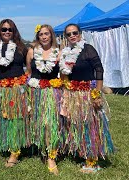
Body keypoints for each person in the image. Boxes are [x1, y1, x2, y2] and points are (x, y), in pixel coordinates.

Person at [59, 23, 114, 173]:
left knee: (90, 125)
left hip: (87, 94)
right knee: (76, 124)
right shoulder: (65, 52)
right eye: (69, 34)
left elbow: (99, 70)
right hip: (73, 95)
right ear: (66, 37)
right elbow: (64, 74)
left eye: (74, 32)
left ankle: (92, 160)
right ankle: (82, 152)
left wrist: (96, 94)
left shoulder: (88, 49)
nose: (72, 36)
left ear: (80, 33)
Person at [0, 19, 29, 167]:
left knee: (16, 118)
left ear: (14, 31)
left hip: (16, 89)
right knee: (2, 117)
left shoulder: (21, 47)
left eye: (10, 29)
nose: (7, 32)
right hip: (0, 89)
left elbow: (29, 67)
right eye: (4, 29)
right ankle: (7, 144)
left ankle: (15, 151)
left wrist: (23, 80)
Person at [26, 24, 61, 175]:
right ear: (38, 37)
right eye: (41, 34)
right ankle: (40, 148)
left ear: (51, 35)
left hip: (52, 93)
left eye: (47, 34)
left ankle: (51, 156)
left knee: (50, 123)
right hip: (35, 92)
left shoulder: (58, 52)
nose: (44, 37)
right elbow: (28, 71)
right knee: (38, 123)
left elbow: (64, 74)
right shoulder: (32, 51)